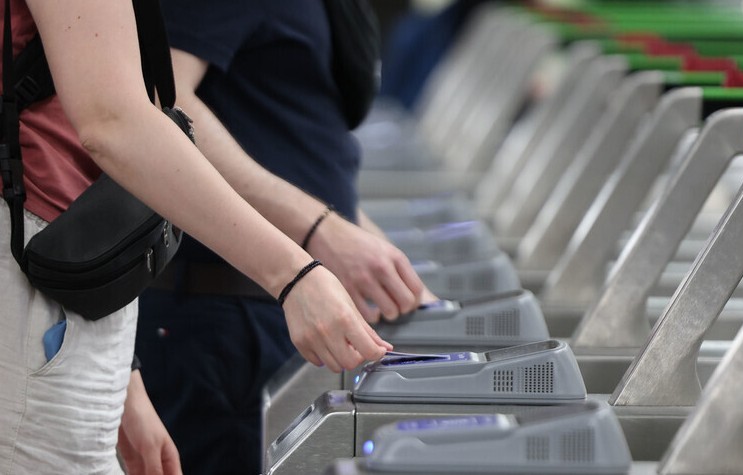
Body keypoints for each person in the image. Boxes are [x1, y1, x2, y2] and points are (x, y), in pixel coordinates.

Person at [0, 0, 413, 472]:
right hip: (38, 262)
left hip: (68, 283)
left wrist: (125, 378)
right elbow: (116, 119)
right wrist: (295, 270)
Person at [133, 1, 436, 473]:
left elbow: (285, 136)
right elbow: (161, 101)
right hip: (224, 319)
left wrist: (361, 244)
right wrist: (318, 229)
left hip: (276, 300)